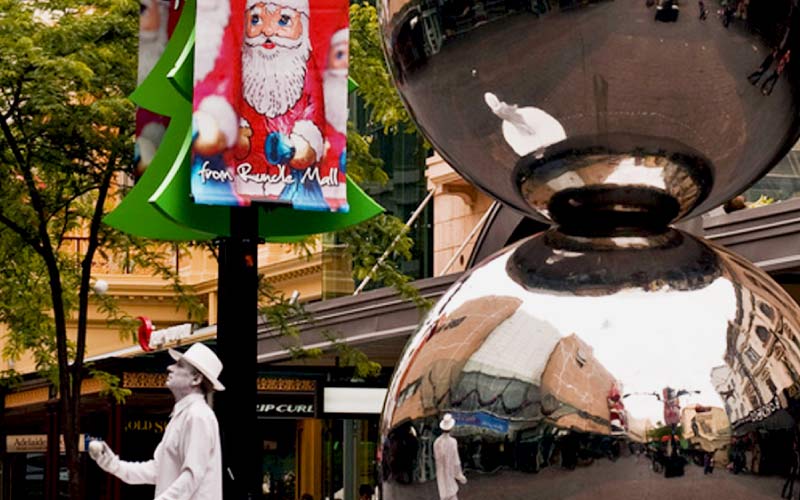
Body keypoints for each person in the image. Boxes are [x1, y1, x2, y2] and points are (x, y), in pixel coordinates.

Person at [89, 343, 225, 500]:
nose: (170, 367)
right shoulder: (184, 415)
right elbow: (158, 470)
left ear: (196, 379)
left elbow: (192, 475)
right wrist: (112, 464)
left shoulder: (198, 416)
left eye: (179, 365)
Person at [434, 414, 467, 500]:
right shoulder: (453, 442)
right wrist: (460, 476)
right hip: (449, 474)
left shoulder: (436, 442)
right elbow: (456, 461)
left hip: (441, 474)